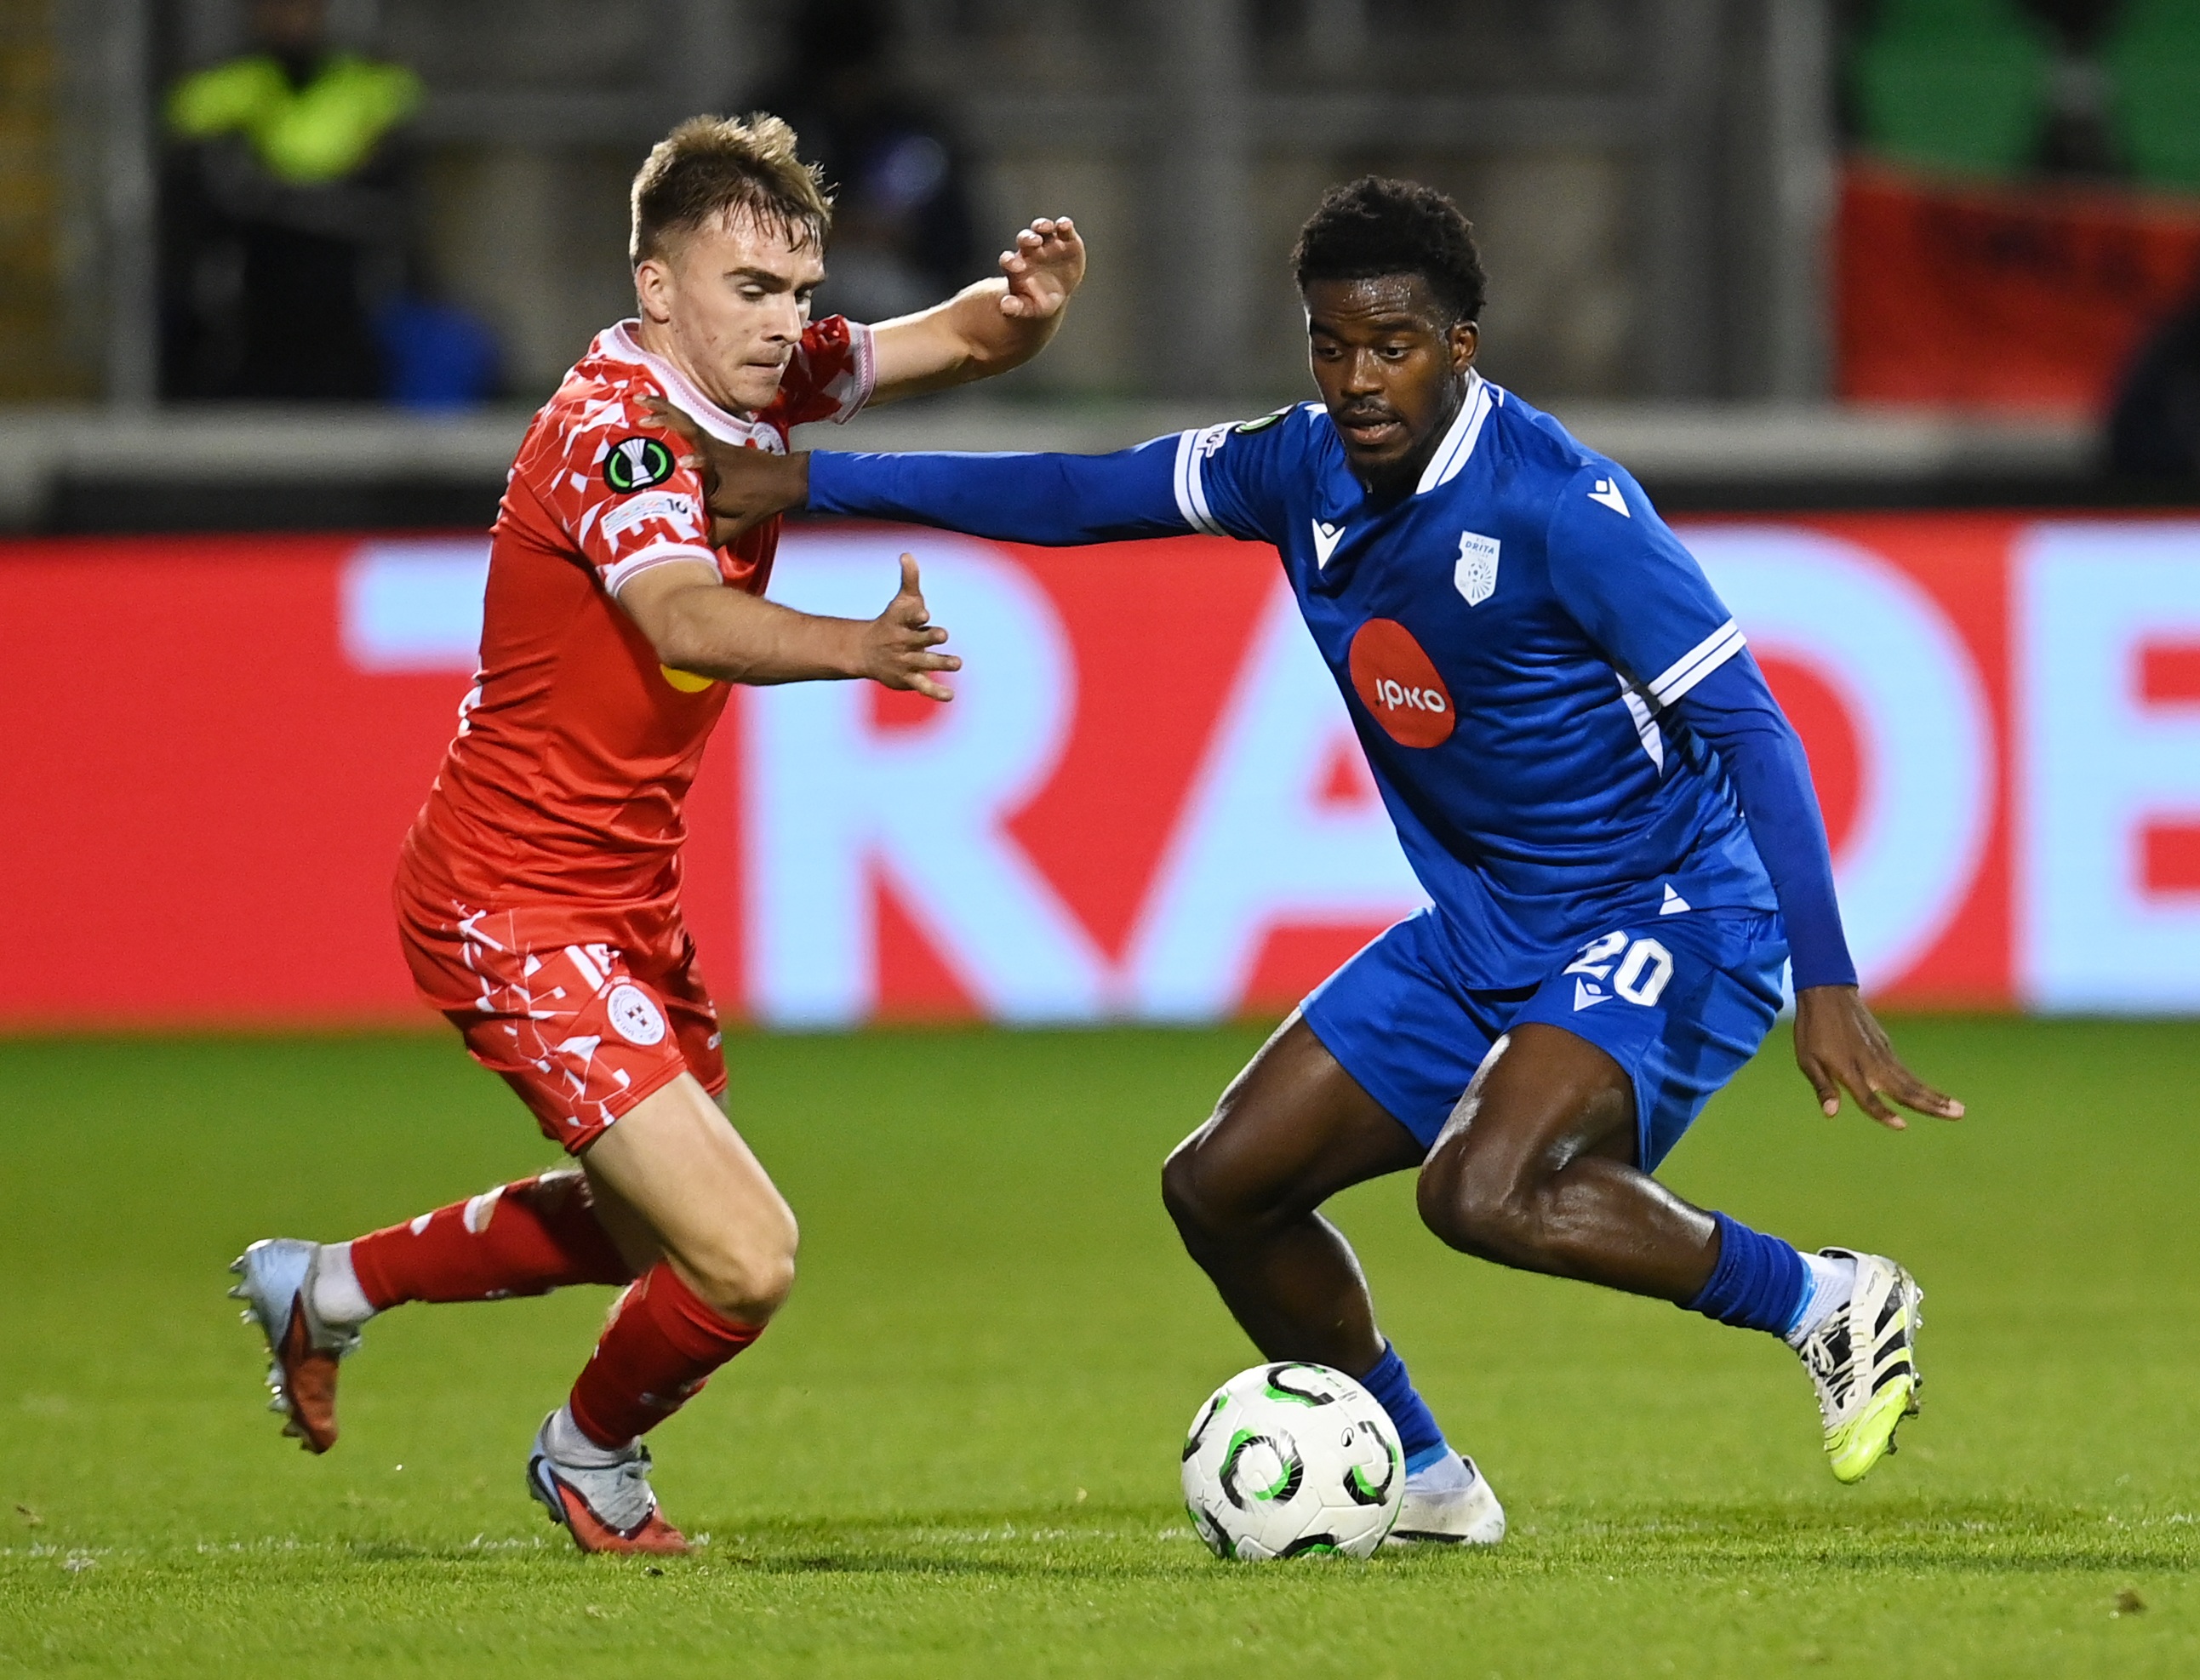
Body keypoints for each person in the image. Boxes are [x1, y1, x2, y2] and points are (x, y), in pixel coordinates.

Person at [671, 177, 1963, 1545]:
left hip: (1672, 906)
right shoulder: (1298, 467)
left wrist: (1825, 979)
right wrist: (812, 480)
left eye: (1392, 346)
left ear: (1460, 346)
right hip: (1486, 924)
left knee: (1480, 1190)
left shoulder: (1561, 508)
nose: (1358, 380)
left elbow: (1753, 730)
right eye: (1331, 345)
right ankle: (1418, 1475)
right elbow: (1079, 489)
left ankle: (1823, 1298)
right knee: (1220, 1186)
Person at [227, 114, 1087, 1555]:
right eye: (752, 290)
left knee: (653, 1233)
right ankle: (589, 1456)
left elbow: (956, 343)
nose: (788, 326)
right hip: (509, 898)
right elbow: (682, 616)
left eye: (801, 293)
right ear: (657, 285)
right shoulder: (612, 433)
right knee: (745, 1256)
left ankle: (324, 1288)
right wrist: (855, 647)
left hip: (622, 894)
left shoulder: (763, 373)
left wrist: (1025, 309)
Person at [162, 0, 421, 399]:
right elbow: (205, 203)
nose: (291, 17)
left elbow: (390, 203)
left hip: (344, 303)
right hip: (250, 308)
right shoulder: (219, 89)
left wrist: (270, 198)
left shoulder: (371, 88)